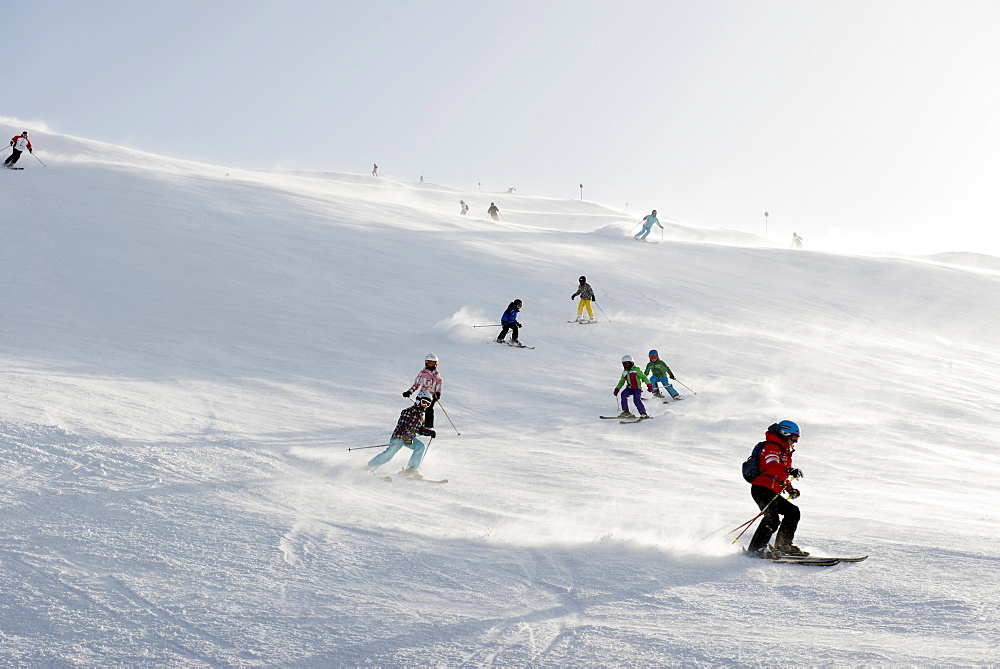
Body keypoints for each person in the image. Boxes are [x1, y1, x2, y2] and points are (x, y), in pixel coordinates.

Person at [746, 420, 807, 558]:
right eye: (794, 438)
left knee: (793, 512)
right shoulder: (772, 447)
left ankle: (783, 545)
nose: (795, 442)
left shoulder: (785, 452)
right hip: (761, 489)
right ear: (785, 434)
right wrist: (790, 470)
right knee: (772, 519)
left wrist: (790, 488)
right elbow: (772, 465)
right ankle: (756, 550)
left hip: (771, 490)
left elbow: (781, 474)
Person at [367, 389, 437, 479]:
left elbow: (418, 429)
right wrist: (406, 437)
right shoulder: (408, 411)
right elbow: (403, 426)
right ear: (418, 400)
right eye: (424, 402)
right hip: (399, 437)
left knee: (420, 447)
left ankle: (411, 469)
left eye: (428, 404)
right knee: (389, 454)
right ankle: (369, 468)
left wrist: (429, 432)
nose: (425, 405)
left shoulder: (420, 415)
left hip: (409, 438)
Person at [402, 354, 442, 428]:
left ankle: (428, 426)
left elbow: (439, 384)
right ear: (426, 363)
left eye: (433, 363)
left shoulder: (437, 374)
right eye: (429, 363)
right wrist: (409, 392)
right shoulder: (423, 373)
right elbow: (417, 384)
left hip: (432, 395)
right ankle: (414, 425)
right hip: (422, 394)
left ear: (436, 364)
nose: (431, 365)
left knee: (429, 409)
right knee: (417, 408)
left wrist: (438, 393)